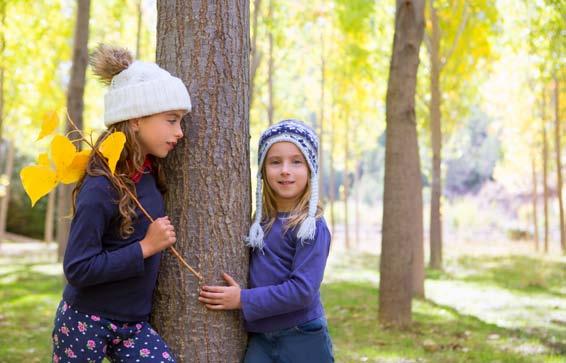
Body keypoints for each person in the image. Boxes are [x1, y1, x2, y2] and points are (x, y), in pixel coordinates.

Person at [51, 44, 191, 363]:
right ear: (136, 119)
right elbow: (77, 267)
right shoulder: (101, 186)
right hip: (85, 321)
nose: (180, 132)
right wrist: (144, 247)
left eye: (180, 121)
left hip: (133, 326)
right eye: (171, 120)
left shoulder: (149, 174)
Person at [199, 119, 334, 362]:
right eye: (275, 162)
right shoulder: (259, 223)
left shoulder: (311, 226)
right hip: (261, 338)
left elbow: (302, 291)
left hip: (302, 336)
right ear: (262, 170)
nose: (285, 170)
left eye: (296, 161)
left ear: (310, 169)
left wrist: (242, 299)